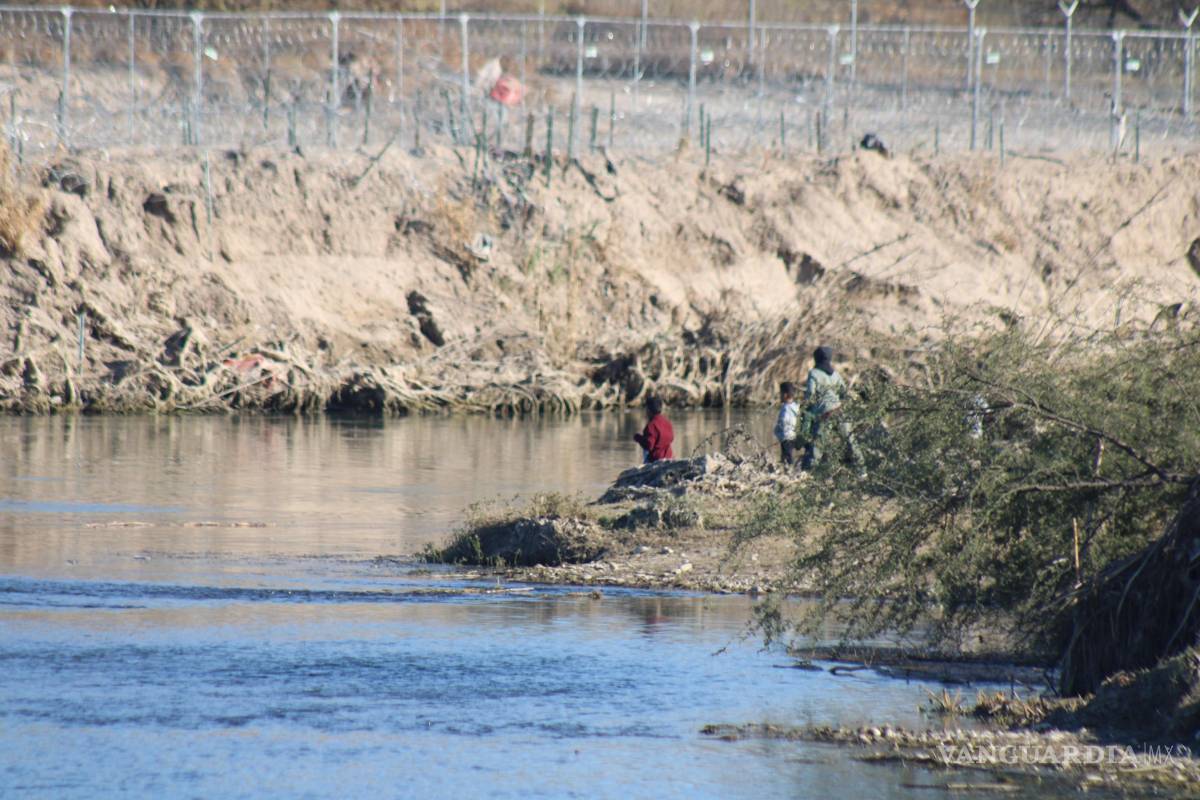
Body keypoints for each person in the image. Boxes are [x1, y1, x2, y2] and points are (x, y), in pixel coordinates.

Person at [800, 346, 862, 472]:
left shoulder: (813, 373)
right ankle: (862, 470)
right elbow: (844, 393)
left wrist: (806, 413)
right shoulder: (835, 374)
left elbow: (810, 396)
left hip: (825, 415)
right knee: (851, 442)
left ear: (816, 359)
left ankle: (807, 474)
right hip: (840, 412)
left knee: (817, 447)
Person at [633, 396, 674, 463]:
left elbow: (649, 445)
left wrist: (638, 438)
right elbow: (671, 438)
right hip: (669, 458)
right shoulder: (667, 423)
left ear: (648, 410)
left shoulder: (651, 425)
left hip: (656, 460)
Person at [773, 382, 800, 466]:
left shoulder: (786, 408)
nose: (779, 396)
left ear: (785, 395)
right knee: (786, 456)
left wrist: (778, 433)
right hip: (792, 435)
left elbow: (784, 423)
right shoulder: (795, 406)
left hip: (787, 437)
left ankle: (788, 471)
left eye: (780, 393)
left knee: (787, 457)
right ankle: (788, 469)